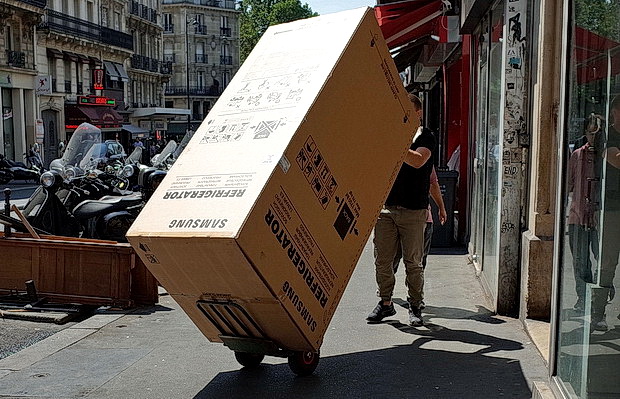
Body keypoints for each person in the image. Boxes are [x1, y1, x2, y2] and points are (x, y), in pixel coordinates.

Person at [367, 93, 436, 326]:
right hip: (386, 209)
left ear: (418, 113)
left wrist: (395, 144)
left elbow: (418, 161)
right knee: (382, 260)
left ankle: (415, 306)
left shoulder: (426, 137)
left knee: (413, 263)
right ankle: (385, 303)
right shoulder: (391, 134)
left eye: (406, 110)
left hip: (414, 211)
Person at [567, 114, 602, 313]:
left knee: (601, 259)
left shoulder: (603, 156)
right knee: (580, 260)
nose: (593, 137)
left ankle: (599, 300)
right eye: (590, 132)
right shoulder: (577, 155)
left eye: (597, 132)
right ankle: (583, 298)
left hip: (598, 218)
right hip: (577, 215)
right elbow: (569, 183)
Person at [591, 96, 620, 331]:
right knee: (607, 263)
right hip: (611, 209)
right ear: (615, 112)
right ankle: (598, 313)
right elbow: (615, 159)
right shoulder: (606, 135)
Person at [392, 166, 447, 274]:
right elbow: (433, 184)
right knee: (417, 262)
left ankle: (386, 289)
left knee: (391, 260)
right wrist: (441, 208)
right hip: (421, 218)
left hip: (393, 217)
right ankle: (415, 290)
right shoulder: (425, 158)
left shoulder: (394, 159)